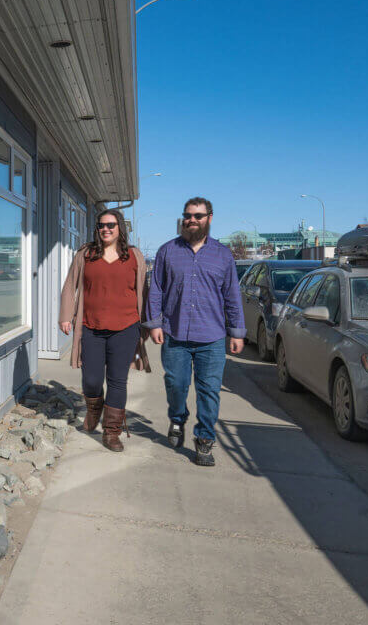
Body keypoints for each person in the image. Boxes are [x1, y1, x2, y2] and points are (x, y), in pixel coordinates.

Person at [145, 197, 246, 466]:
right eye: (188, 215)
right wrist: (154, 323)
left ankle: (204, 441)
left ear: (209, 218)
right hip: (175, 334)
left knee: (209, 391)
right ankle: (177, 419)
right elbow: (156, 290)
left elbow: (232, 296)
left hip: (212, 338)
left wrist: (237, 331)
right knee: (176, 385)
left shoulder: (223, 255)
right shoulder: (167, 251)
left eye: (198, 216)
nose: (192, 220)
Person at [59, 208, 151, 452]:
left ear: (120, 228)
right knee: (91, 380)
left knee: (117, 380)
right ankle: (94, 408)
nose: (106, 229)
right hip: (91, 326)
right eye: (101, 225)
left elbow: (144, 291)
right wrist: (66, 315)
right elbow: (70, 285)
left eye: (111, 225)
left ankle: (111, 432)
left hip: (126, 327)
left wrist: (149, 323)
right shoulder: (86, 254)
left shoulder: (134, 255)